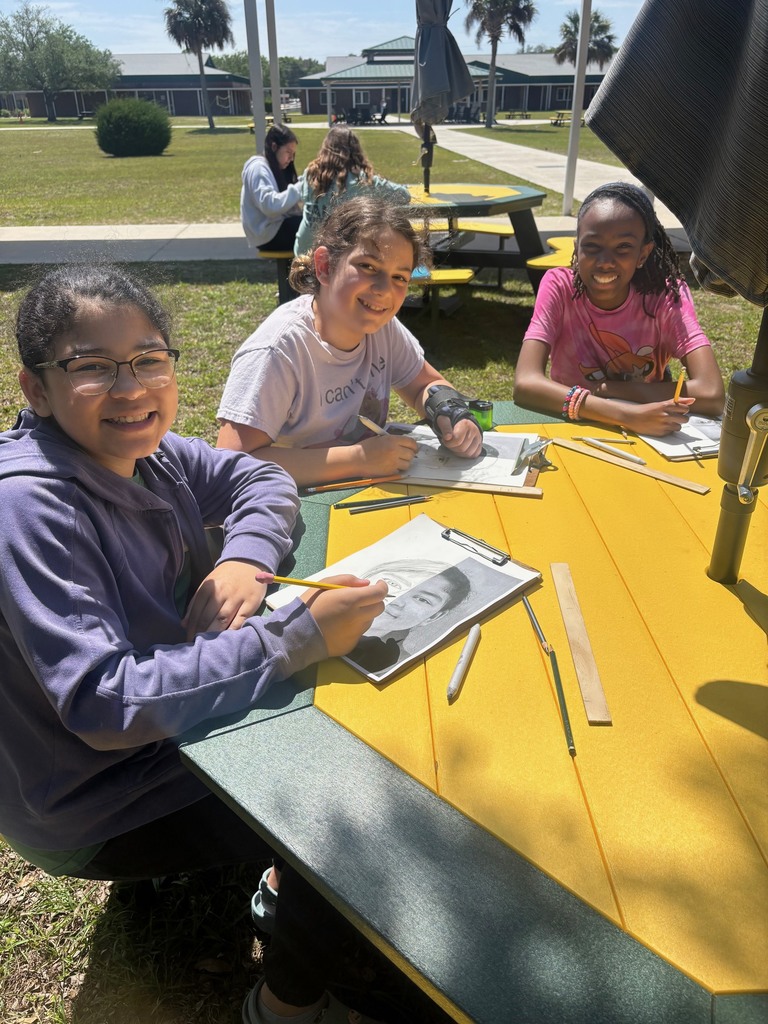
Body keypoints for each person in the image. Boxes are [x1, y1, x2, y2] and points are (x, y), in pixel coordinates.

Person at [0, 264, 393, 1024]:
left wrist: (246, 556)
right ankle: (285, 1008)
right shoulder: (29, 509)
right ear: (36, 388)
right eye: (92, 367)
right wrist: (293, 636)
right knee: (341, 786)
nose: (131, 388)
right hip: (96, 798)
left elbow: (263, 481)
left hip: (152, 734)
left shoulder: (154, 455)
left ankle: (279, 881)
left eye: (149, 359)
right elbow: (102, 705)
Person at [216, 195, 484, 486]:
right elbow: (232, 465)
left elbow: (425, 384)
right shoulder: (278, 351)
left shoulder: (382, 329)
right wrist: (358, 459)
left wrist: (449, 413)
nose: (384, 290)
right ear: (325, 266)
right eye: (368, 267)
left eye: (399, 278)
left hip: (361, 490)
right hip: (293, 509)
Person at [513, 182, 725, 436]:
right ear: (576, 246)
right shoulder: (559, 287)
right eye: (591, 246)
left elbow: (712, 393)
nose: (605, 263)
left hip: (650, 432)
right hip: (574, 426)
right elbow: (525, 384)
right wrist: (625, 415)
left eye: (623, 247)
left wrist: (609, 389)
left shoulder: (665, 296)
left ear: (643, 254)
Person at [293, 126, 410, 255]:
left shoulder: (310, 174)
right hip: (336, 257)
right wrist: (370, 178)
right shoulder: (361, 181)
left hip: (303, 251)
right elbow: (404, 196)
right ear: (355, 151)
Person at [349, 565, 471, 674]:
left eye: (422, 599)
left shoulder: (389, 666)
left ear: (434, 616)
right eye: (393, 583)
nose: (397, 600)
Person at [241, 124, 302, 252]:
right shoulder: (258, 168)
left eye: (293, 154)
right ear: (274, 147)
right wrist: (301, 187)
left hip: (273, 230)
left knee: (314, 224)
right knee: (314, 229)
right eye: (288, 152)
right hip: (267, 235)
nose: (291, 159)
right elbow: (270, 206)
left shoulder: (274, 167)